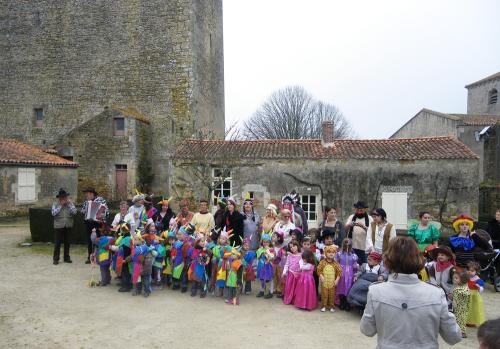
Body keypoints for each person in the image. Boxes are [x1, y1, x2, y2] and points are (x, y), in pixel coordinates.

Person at [360, 236, 462, 348]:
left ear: (388, 261)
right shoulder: (436, 293)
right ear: (419, 260)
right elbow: (453, 337)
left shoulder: (376, 291)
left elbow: (367, 330)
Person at [81, 187, 108, 264]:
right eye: (86, 194)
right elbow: (82, 210)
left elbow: (106, 211)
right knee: (89, 240)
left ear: (92, 193)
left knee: (98, 240)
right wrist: (85, 211)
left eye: (88, 193)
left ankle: (99, 257)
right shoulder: (86, 202)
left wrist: (100, 215)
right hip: (88, 223)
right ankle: (90, 257)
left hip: (97, 223)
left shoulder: (101, 200)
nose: (86, 195)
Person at [51, 188, 77, 265]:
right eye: (62, 197)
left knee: (67, 242)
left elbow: (75, 212)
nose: (64, 199)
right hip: (58, 226)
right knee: (57, 243)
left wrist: (69, 205)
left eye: (65, 197)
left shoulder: (70, 203)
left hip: (68, 225)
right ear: (59, 198)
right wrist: (60, 206)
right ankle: (56, 259)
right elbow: (53, 213)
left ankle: (66, 257)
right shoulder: (55, 204)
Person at [317, 245, 342, 313]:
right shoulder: (322, 262)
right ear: (325, 253)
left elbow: (340, 272)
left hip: (332, 282)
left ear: (335, 254)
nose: (331, 254)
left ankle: (331, 306)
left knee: (332, 294)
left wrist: (337, 280)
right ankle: (324, 306)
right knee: (324, 294)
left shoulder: (336, 263)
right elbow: (318, 270)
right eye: (329, 252)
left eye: (333, 252)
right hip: (324, 282)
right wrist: (321, 276)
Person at [336, 238, 358, 311]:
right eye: (345, 243)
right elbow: (336, 263)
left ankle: (347, 303)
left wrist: (355, 272)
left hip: (350, 274)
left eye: (348, 243)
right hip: (341, 274)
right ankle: (342, 302)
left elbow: (355, 266)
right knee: (341, 288)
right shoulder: (339, 254)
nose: (347, 245)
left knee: (348, 288)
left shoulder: (353, 255)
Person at [452, 271, 471, 338]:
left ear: (462, 280)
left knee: (458, 319)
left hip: (459, 308)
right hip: (465, 307)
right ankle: (462, 331)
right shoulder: (466, 287)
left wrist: (453, 305)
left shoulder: (457, 290)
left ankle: (462, 332)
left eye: (456, 278)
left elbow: (455, 301)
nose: (454, 279)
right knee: (463, 319)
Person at [466, 261, 486, 327]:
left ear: (476, 271)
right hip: (467, 294)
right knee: (467, 308)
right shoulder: (467, 277)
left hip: (474, 296)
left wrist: (479, 287)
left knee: (474, 308)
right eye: (469, 270)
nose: (470, 272)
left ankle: (473, 321)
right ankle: (467, 320)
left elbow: (481, 286)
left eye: (472, 271)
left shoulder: (477, 279)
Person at [282, 240, 302, 305]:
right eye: (291, 247)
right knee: (289, 288)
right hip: (291, 274)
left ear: (297, 246)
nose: (292, 248)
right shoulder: (289, 256)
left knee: (297, 289)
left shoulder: (301, 255)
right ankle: (289, 298)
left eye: (294, 246)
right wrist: (284, 272)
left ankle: (295, 300)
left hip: (298, 275)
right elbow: (287, 264)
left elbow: (302, 265)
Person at [256, 233, 275, 299]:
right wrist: (263, 252)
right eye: (264, 242)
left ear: (269, 242)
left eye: (267, 242)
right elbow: (259, 256)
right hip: (261, 266)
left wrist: (269, 252)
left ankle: (271, 292)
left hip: (269, 266)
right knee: (262, 279)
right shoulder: (259, 249)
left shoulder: (271, 249)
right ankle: (262, 291)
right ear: (262, 242)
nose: (265, 243)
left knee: (270, 279)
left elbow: (272, 257)